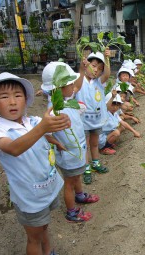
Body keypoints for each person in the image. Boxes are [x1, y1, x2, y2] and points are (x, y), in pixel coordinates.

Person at [0, 72, 70, 255]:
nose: (13, 102)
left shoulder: (33, 122)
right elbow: (14, 148)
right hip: (29, 198)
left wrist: (61, 126)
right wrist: (43, 128)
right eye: (4, 97)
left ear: (26, 99)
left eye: (18, 95)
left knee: (43, 227)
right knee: (33, 237)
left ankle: (49, 251)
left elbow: (46, 132)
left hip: (47, 188)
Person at [41, 61, 99, 222]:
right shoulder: (53, 111)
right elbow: (44, 132)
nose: (74, 87)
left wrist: (81, 69)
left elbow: (78, 87)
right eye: (70, 84)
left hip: (77, 150)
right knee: (69, 182)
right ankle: (71, 211)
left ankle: (80, 195)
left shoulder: (67, 100)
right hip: (68, 154)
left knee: (76, 177)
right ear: (58, 88)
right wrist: (58, 143)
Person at [75, 49, 111, 176]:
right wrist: (81, 69)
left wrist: (107, 59)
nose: (96, 70)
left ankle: (95, 163)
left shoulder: (99, 82)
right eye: (94, 66)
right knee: (84, 144)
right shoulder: (79, 80)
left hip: (96, 120)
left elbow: (107, 74)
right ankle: (86, 168)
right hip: (82, 120)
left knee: (94, 143)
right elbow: (76, 85)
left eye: (99, 68)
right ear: (86, 65)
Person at [98, 91, 141, 155]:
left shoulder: (114, 113)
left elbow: (123, 123)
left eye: (117, 105)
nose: (115, 108)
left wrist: (134, 132)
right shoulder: (104, 113)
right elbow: (106, 107)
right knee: (116, 132)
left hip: (107, 134)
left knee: (122, 127)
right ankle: (103, 149)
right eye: (112, 105)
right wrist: (112, 97)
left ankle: (109, 143)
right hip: (100, 139)